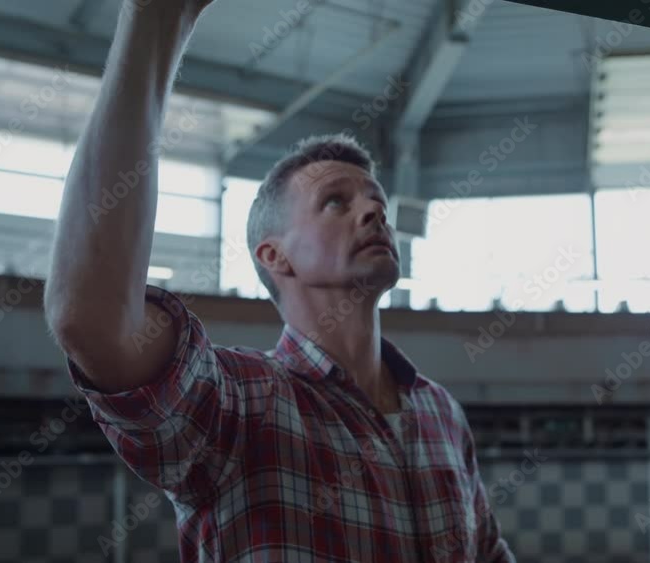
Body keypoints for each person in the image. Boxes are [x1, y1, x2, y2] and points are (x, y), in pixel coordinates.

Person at [42, 0, 516, 561]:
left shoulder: (442, 414)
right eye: (335, 202)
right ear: (275, 256)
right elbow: (92, 319)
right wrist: (157, 18)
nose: (373, 212)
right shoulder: (239, 405)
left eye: (377, 202)